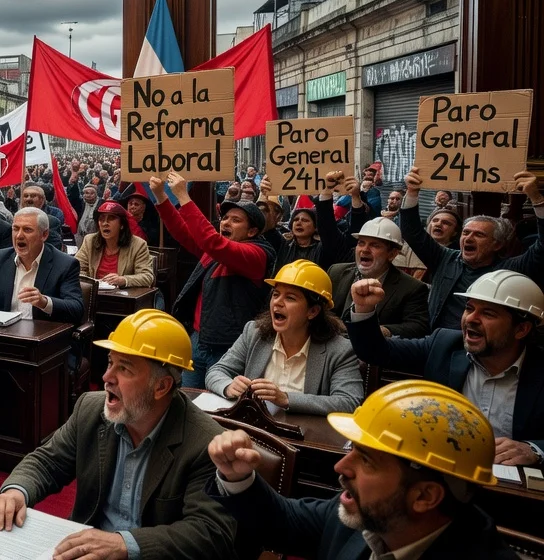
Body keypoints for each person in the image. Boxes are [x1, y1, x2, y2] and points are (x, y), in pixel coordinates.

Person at [0, 310, 236, 559]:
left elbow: (208, 532)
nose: (106, 378)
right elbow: (48, 461)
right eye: (109, 362)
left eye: (125, 369)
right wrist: (17, 491)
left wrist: (124, 545)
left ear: (161, 387)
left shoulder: (205, 443)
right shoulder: (91, 410)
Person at [206, 380, 516, 559]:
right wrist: (238, 477)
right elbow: (282, 521)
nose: (340, 467)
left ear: (424, 496)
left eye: (366, 459)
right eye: (350, 449)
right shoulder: (361, 516)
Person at [346, 272, 544, 464]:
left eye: (488, 313)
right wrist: (364, 308)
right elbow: (375, 351)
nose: (471, 319)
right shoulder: (444, 345)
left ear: (521, 329)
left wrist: (534, 449)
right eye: (469, 308)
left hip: (511, 487)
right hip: (441, 473)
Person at [152, 171, 275, 389]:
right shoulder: (214, 251)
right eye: (225, 218)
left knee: (219, 408)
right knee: (188, 401)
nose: (226, 223)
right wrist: (161, 197)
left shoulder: (257, 254)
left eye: (236, 220)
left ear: (252, 231)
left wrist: (183, 196)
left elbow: (212, 242)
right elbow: (183, 232)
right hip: (199, 341)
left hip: (230, 349)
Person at [205, 260, 362, 415]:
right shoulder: (254, 333)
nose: (277, 303)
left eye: (290, 298)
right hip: (253, 431)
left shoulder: (340, 350)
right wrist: (228, 386)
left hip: (302, 438)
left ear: (313, 311)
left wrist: (286, 399)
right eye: (276, 294)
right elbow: (216, 372)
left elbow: (349, 402)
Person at [400, 167, 544, 330]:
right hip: (438, 344)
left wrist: (536, 198)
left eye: (479, 235)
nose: (468, 238)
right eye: (466, 233)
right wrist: (411, 192)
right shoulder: (445, 258)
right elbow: (412, 232)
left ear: (497, 244)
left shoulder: (510, 269)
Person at [0, 207, 83, 323]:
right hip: (5, 335)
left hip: (42, 340)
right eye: (15, 229)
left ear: (44, 235)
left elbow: (76, 308)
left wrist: (44, 302)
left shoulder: (65, 264)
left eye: (27, 230)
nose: (19, 235)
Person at [326, 217, 430, 338]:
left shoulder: (412, 288)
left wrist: (375, 330)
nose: (364, 250)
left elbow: (418, 327)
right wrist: (343, 326)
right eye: (361, 243)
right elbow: (322, 310)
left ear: (392, 254)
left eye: (374, 245)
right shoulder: (336, 272)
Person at [273, 171, 364, 273]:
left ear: (316, 227)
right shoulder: (283, 246)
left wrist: (354, 196)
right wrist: (263, 195)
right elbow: (266, 227)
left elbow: (328, 228)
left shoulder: (325, 249)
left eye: (305, 220)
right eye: (295, 220)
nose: (299, 223)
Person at [74, 201, 155, 290]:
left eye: (111, 218)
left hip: (122, 298)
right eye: (102, 219)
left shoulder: (138, 244)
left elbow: (147, 277)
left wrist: (123, 280)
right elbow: (76, 269)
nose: (105, 223)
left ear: (122, 225)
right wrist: (92, 282)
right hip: (94, 295)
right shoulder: (89, 241)